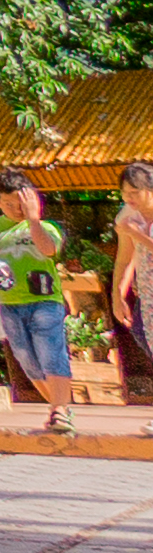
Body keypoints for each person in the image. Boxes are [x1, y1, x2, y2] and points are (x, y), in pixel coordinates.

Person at [0, 167, 79, 434]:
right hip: (7, 303)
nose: (15, 208)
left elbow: (49, 250)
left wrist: (33, 219)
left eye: (20, 202)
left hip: (44, 300)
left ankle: (59, 409)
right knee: (26, 359)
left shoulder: (44, 227)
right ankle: (59, 405)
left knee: (51, 353)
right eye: (8, 203)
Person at [113, 158, 153, 410]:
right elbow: (124, 256)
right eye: (125, 193)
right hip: (148, 296)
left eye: (135, 192)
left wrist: (138, 234)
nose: (129, 198)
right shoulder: (127, 216)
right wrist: (118, 293)